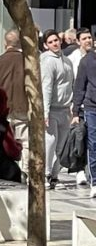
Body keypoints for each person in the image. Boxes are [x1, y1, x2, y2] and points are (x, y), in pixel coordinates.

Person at [0, 30, 29, 178]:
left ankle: (6, 171)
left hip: (2, 110)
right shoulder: (28, 61)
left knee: (2, 142)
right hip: (23, 107)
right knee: (25, 143)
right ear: (20, 43)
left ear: (5, 43)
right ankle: (25, 172)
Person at [40, 29, 74, 190]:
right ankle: (45, 174)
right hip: (52, 109)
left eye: (56, 40)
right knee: (50, 143)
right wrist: (45, 112)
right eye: (51, 42)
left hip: (65, 109)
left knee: (61, 145)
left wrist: (72, 106)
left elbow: (70, 85)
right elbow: (46, 88)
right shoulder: (47, 62)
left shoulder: (67, 61)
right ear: (46, 45)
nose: (55, 44)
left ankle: (54, 175)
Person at [72, 41, 96, 198]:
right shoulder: (87, 61)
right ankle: (95, 181)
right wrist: (75, 111)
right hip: (92, 108)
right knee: (93, 143)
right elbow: (79, 86)